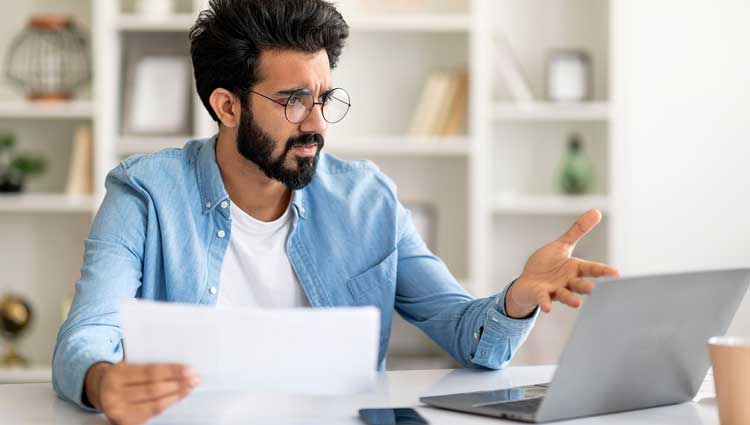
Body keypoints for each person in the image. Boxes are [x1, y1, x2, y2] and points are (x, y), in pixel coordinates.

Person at [52, 1, 620, 424]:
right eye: (294, 100)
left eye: (323, 98)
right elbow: (86, 337)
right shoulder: (145, 193)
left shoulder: (367, 198)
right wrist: (104, 383)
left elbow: (471, 337)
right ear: (226, 105)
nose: (318, 125)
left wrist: (518, 299)